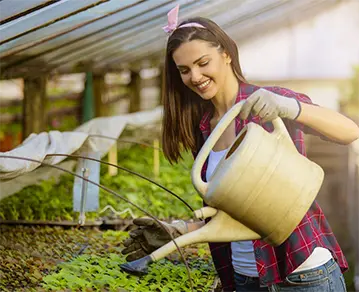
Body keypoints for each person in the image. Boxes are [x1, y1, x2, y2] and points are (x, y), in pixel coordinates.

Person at [121, 5, 359, 292]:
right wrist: (179, 230)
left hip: (301, 273)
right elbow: (234, 211)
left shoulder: (269, 102)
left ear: (225, 54)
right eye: (184, 70)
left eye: (202, 62)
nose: (194, 76)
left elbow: (349, 132)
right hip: (244, 278)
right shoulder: (204, 129)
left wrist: (292, 107)